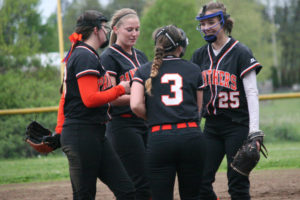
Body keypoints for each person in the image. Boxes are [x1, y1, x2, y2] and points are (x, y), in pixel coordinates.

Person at [56, 10, 136, 200]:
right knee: (85, 195)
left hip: (95, 133)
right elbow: (90, 99)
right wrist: (120, 89)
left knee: (127, 191)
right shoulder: (84, 55)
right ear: (96, 29)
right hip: (81, 134)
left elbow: (65, 97)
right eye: (105, 27)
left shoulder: (84, 53)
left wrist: (59, 129)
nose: (107, 32)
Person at [191, 1, 263, 200]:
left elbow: (251, 92)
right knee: (199, 181)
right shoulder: (199, 55)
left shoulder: (241, 52)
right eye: (203, 24)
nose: (206, 28)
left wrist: (254, 131)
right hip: (211, 126)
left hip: (237, 125)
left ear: (223, 22)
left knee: (237, 183)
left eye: (211, 22)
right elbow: (192, 94)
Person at [130, 25, 206, 200]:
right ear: (181, 47)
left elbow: (135, 105)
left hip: (160, 137)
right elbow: (199, 109)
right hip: (190, 135)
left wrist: (154, 116)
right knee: (192, 196)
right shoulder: (194, 69)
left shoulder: (143, 70)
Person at [100, 8, 151, 200]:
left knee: (152, 178)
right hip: (123, 125)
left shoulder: (141, 56)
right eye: (129, 29)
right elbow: (110, 97)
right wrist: (139, 98)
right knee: (140, 181)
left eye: (137, 29)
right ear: (116, 29)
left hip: (144, 123)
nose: (134, 34)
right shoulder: (109, 57)